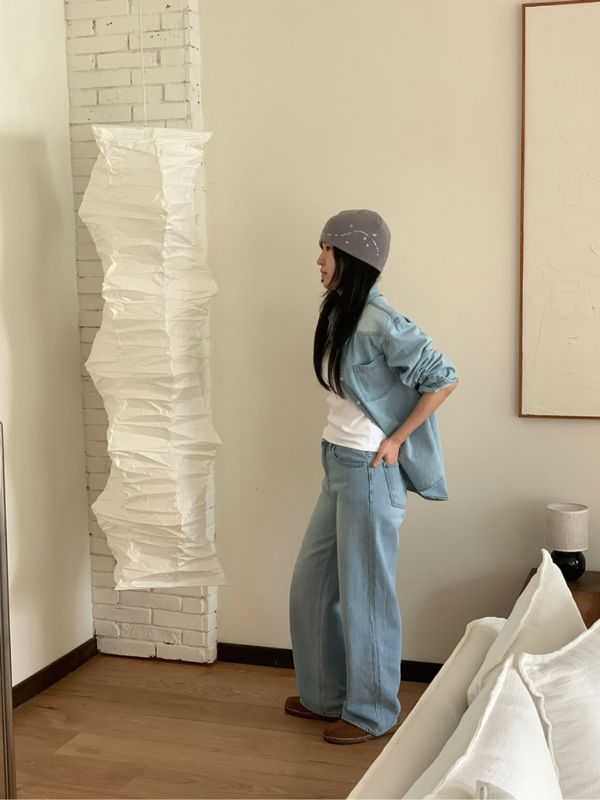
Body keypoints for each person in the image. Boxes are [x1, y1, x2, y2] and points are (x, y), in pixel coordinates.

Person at [286, 209, 459, 745]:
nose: (319, 260)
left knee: (367, 596)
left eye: (327, 250)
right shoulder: (342, 312)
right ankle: (324, 696)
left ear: (353, 257)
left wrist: (397, 439)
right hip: (337, 462)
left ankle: (372, 712)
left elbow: (443, 378)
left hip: (369, 469)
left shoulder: (380, 320)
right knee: (312, 585)